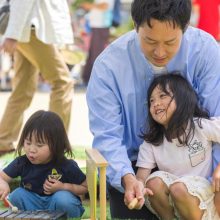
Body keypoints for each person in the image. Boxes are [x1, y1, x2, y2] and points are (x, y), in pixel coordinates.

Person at [86, 0, 220, 218]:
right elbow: (108, 136)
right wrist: (128, 179)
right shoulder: (107, 67)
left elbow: (217, 117)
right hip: (136, 168)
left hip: (200, 165)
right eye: (149, 41)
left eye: (170, 42)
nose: (159, 52)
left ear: (185, 28)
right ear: (135, 25)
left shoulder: (206, 52)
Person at [136, 73, 220, 220]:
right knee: (153, 182)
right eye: (151, 100)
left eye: (162, 96)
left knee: (178, 188)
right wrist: (137, 189)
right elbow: (141, 177)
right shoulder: (152, 142)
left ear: (182, 100)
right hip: (173, 202)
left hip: (203, 200)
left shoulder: (200, 126)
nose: (155, 103)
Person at [0, 0, 74, 156]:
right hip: (31, 29)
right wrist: (12, 34)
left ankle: (3, 141)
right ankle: (55, 143)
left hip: (27, 28)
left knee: (22, 89)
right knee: (62, 82)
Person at [0, 110, 87, 218]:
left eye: (39, 145)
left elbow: (85, 186)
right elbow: (1, 177)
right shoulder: (22, 162)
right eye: (28, 143)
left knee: (62, 199)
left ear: (56, 145)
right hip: (33, 207)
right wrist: (3, 183)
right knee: (17, 195)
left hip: (58, 205)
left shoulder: (66, 165)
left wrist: (64, 186)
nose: (31, 150)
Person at [81, 0, 115, 85]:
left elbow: (105, 6)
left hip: (101, 26)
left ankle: (97, 81)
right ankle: (87, 79)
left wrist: (90, 6)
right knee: (92, 54)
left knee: (97, 54)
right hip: (95, 26)